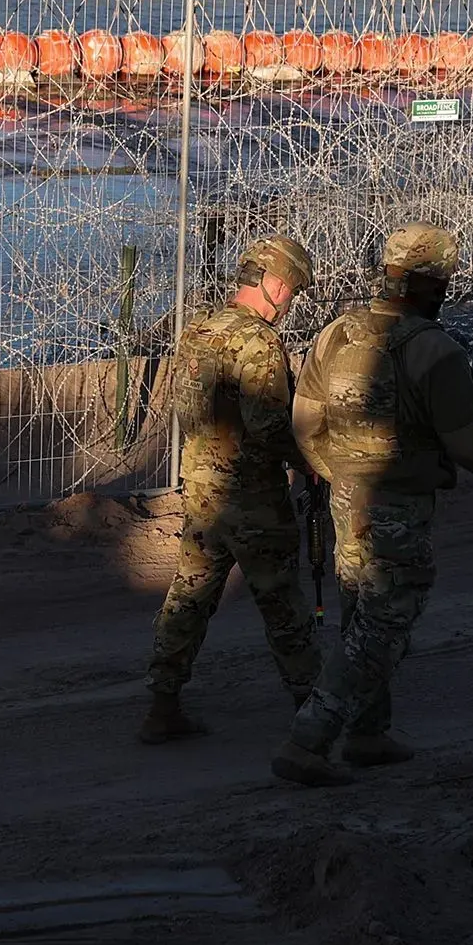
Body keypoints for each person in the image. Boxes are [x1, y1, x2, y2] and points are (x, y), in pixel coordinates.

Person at [272, 224, 473, 788]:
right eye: (443, 282)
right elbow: (467, 437)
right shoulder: (435, 350)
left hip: (345, 498)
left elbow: (305, 422)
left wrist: (334, 472)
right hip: (398, 507)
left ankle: (368, 733)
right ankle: (308, 739)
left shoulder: (335, 335)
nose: (446, 290)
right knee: (385, 623)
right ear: (430, 284)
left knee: (359, 612)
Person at [138, 235, 322, 743]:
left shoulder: (198, 330)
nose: (289, 303)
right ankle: (315, 712)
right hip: (252, 496)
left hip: (202, 490)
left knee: (189, 596)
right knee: (283, 604)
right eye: (292, 292)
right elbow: (270, 427)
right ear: (276, 285)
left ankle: (162, 704)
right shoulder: (260, 343)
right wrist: (312, 463)